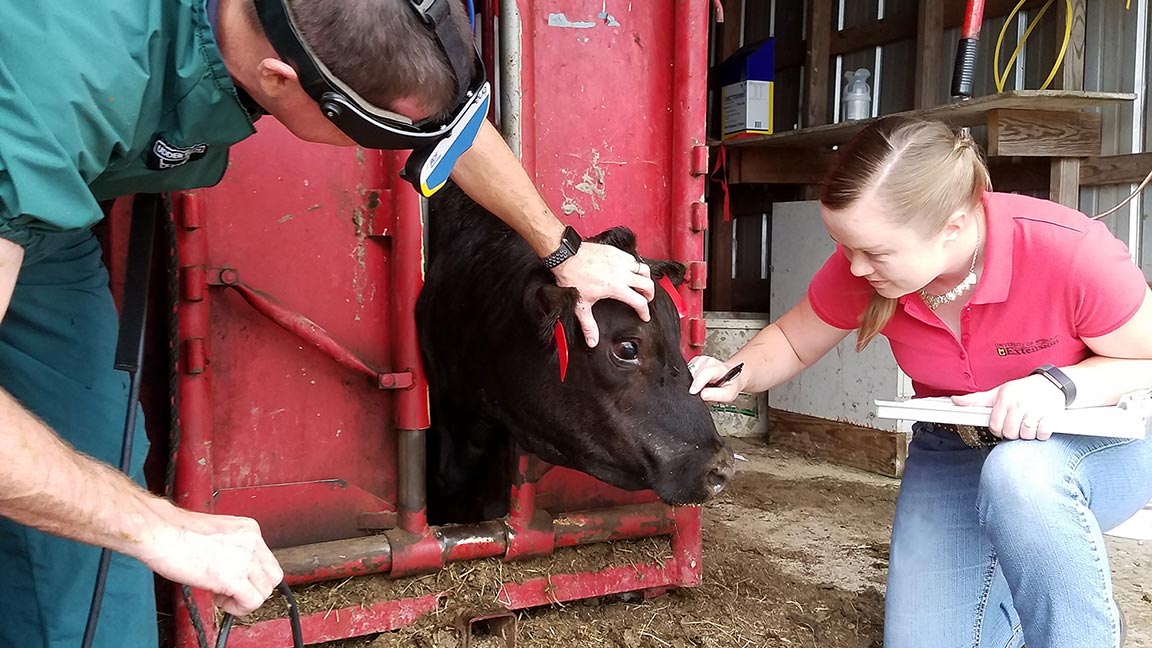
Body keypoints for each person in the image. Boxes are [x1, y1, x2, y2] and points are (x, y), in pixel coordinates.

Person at [0, 0, 654, 646]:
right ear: (278, 79)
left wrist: (560, 249)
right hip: (28, 144)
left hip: (46, 221)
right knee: (107, 513)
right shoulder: (54, 79)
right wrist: (159, 528)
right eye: (380, 140)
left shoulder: (299, 28)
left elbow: (432, 113)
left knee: (90, 473)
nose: (400, 151)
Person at [688, 116, 1152, 648]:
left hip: (1089, 445)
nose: (856, 269)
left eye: (876, 253)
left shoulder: (1068, 252)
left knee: (1020, 475)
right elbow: (792, 341)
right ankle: (1053, 599)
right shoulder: (864, 266)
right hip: (955, 446)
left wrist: (1058, 385)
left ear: (951, 227)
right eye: (845, 247)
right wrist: (735, 373)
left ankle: (1079, 630)